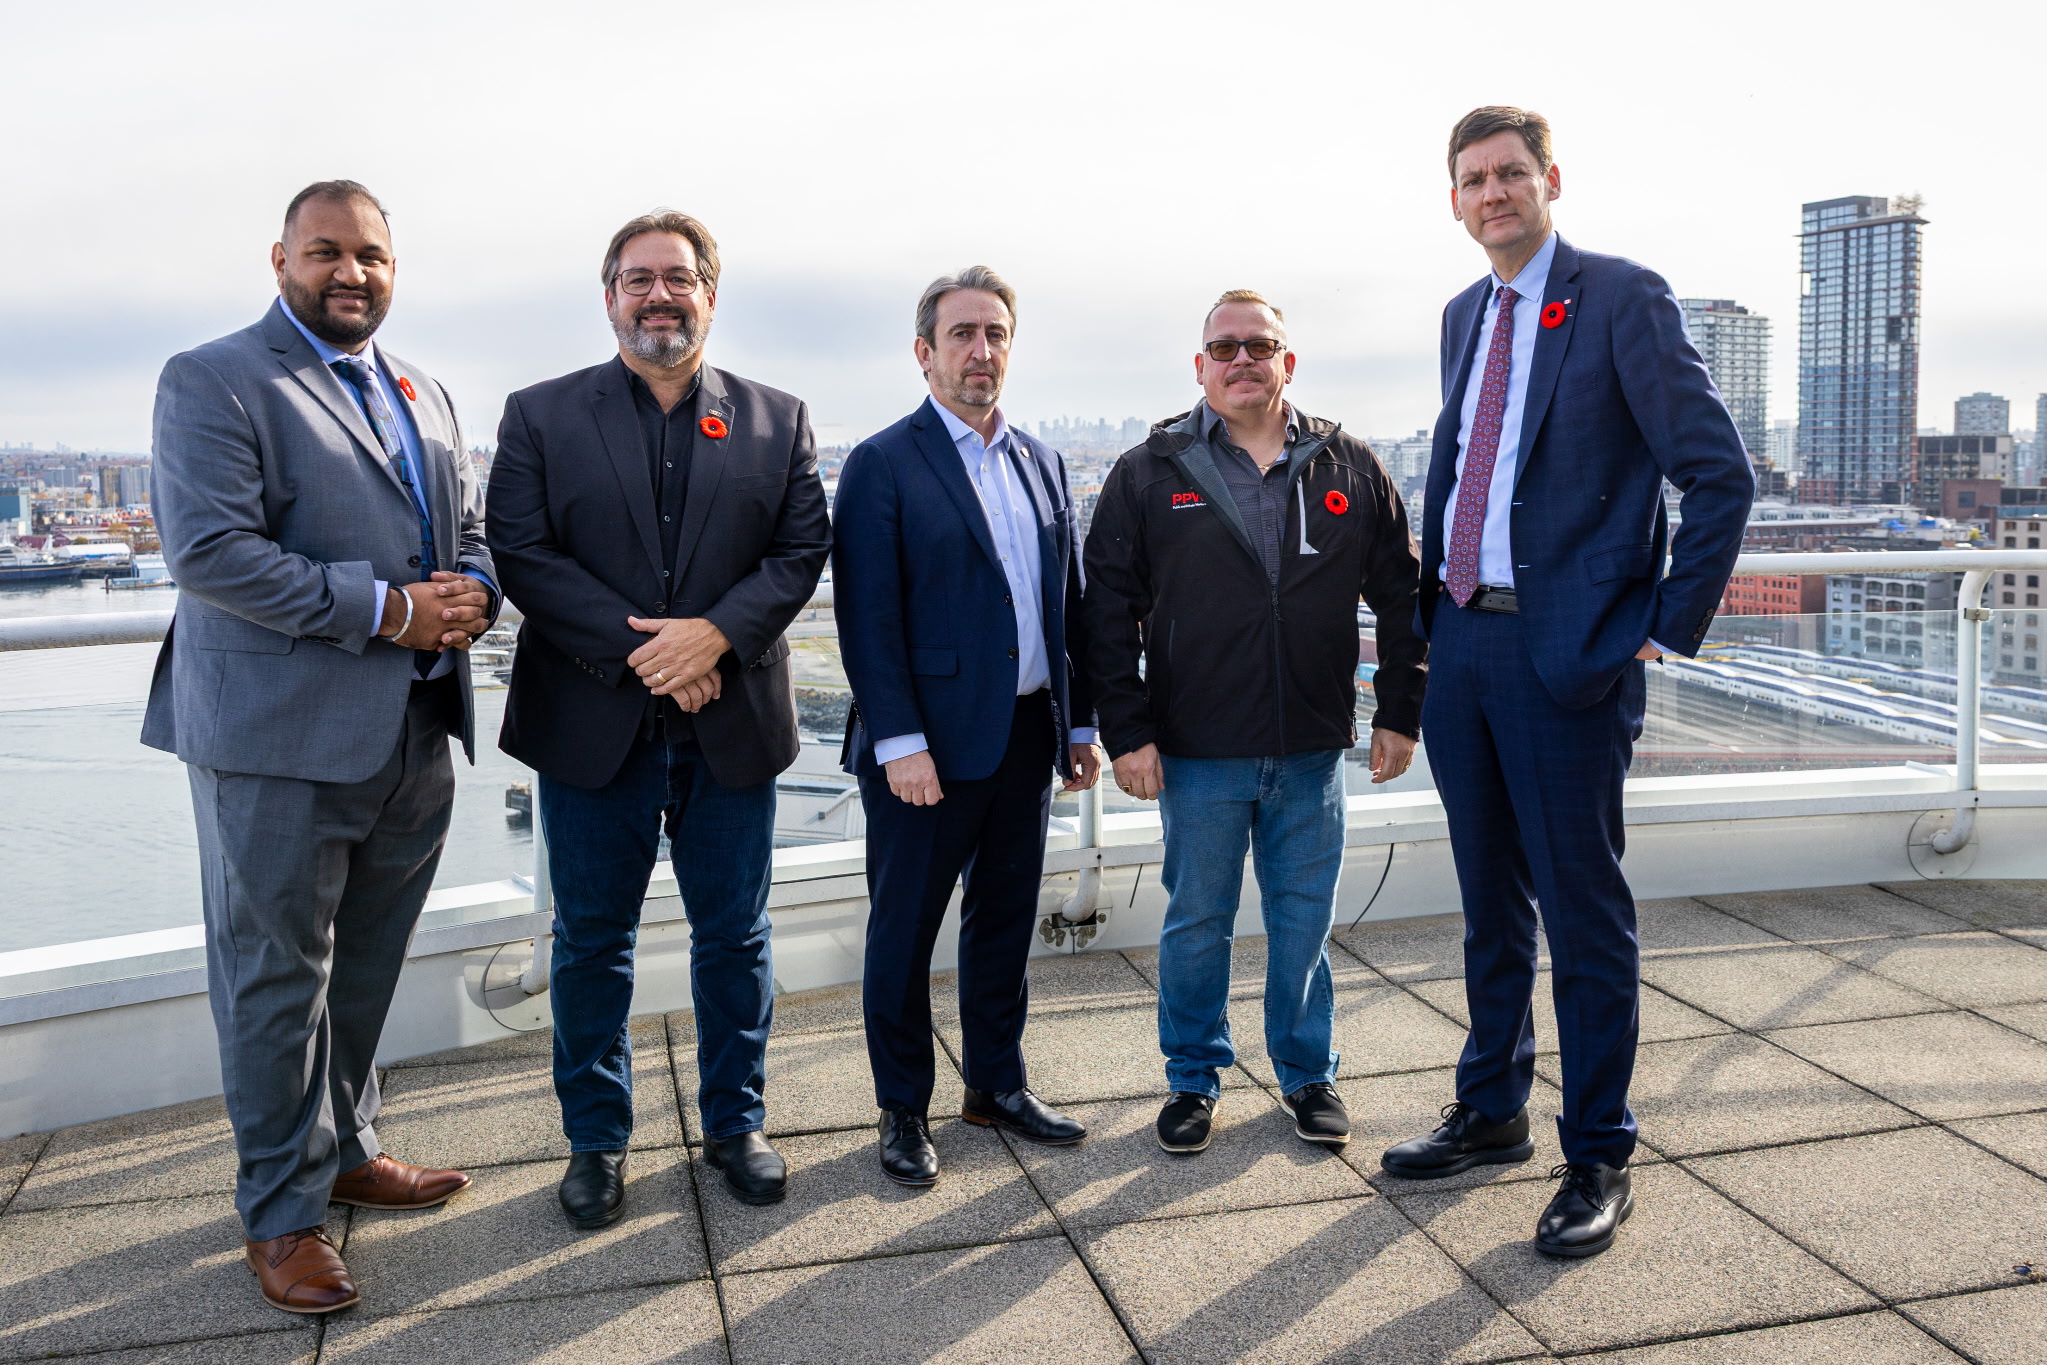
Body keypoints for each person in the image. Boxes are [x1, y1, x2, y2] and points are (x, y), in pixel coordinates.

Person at [1378, 108, 1753, 1257]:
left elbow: (1717, 476)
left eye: (1510, 174)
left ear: (1550, 181)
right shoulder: (1462, 314)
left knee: (1584, 917)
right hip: (1467, 649)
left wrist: (1656, 626)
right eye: (1472, 179)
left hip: (1569, 657)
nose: (1493, 193)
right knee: (1489, 905)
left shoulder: (1619, 297)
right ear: (1453, 200)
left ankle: (1595, 1151)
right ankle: (1491, 1109)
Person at [144, 180, 496, 1313]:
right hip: (275, 740)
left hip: (414, 734)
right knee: (271, 977)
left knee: (368, 965)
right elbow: (210, 555)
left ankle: (347, 1148)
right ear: (280, 259)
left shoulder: (421, 388)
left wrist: (476, 593)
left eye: (372, 256)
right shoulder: (213, 379)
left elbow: (469, 530)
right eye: (325, 253)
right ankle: (283, 1217)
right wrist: (394, 611)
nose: (351, 273)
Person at [486, 211, 830, 1221]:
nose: (658, 296)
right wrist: (659, 652)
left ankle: (737, 1124)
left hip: (730, 726)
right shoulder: (540, 416)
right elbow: (524, 553)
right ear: (609, 298)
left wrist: (713, 637)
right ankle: (596, 1143)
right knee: (592, 944)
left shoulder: (779, 418)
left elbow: (797, 554)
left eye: (677, 278)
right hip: (593, 728)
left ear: (709, 297)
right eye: (637, 279)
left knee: (736, 938)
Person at [1084, 291, 1426, 1157]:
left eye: (1259, 346)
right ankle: (1192, 1078)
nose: (1242, 360)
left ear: (1287, 362)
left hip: (1310, 746)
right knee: (1196, 920)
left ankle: (1307, 1073)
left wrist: (1397, 711)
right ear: (1199, 366)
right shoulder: (1148, 470)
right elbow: (1105, 612)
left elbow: (1400, 598)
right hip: (1196, 750)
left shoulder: (1347, 464)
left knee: (1304, 920)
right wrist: (1127, 731)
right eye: (1224, 347)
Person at [833, 266, 1099, 1186]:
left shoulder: (1040, 459)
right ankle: (901, 1107)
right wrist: (900, 740)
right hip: (927, 749)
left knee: (1004, 920)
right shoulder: (881, 462)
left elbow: (1062, 604)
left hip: (1027, 732)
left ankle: (995, 1084)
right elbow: (867, 616)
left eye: (994, 334)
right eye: (960, 334)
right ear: (924, 352)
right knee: (904, 930)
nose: (979, 351)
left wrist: (1076, 723)